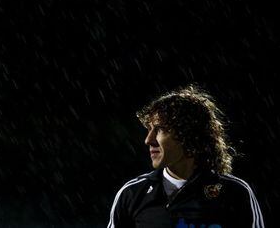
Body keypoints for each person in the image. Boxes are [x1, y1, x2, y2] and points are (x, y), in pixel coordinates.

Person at [107, 84, 265, 228]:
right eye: (149, 129)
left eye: (160, 129)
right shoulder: (132, 194)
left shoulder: (235, 193)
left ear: (189, 135)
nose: (148, 140)